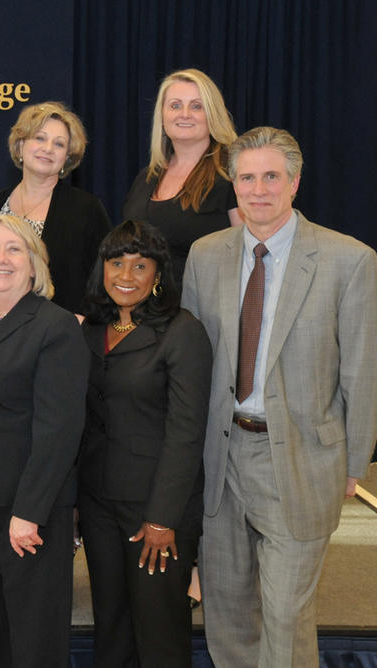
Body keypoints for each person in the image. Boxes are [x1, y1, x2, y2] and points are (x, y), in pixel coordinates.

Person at [182, 127, 377, 667]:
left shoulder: (349, 260)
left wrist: (354, 465)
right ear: (234, 185)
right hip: (220, 459)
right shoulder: (205, 256)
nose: (258, 189)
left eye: (271, 176)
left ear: (294, 182)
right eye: (247, 178)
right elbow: (190, 365)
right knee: (227, 613)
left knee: (286, 616)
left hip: (302, 460)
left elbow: (363, 372)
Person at [0, 212, 88, 667]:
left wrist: (29, 512)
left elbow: (59, 428)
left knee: (33, 639)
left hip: (24, 509)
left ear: (34, 263)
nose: (1, 258)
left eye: (14, 249)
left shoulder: (55, 326)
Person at [78, 220, 212, 666]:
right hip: (98, 504)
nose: (126, 275)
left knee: (159, 633)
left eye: (140, 265)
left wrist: (162, 518)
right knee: (111, 626)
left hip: (155, 511)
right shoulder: (92, 329)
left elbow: (186, 432)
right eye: (116, 262)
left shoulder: (182, 331)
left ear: (158, 274)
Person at [122, 68, 240, 286]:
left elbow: (250, 251)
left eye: (196, 106)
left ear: (212, 114)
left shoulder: (232, 173)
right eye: (175, 105)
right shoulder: (146, 177)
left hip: (204, 302)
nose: (184, 114)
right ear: (162, 116)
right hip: (146, 303)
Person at [0, 101, 111, 313]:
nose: (48, 149)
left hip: (60, 328)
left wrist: (87, 322)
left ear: (66, 157)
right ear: (20, 145)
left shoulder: (86, 210)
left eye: (59, 144)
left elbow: (107, 276)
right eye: (40, 138)